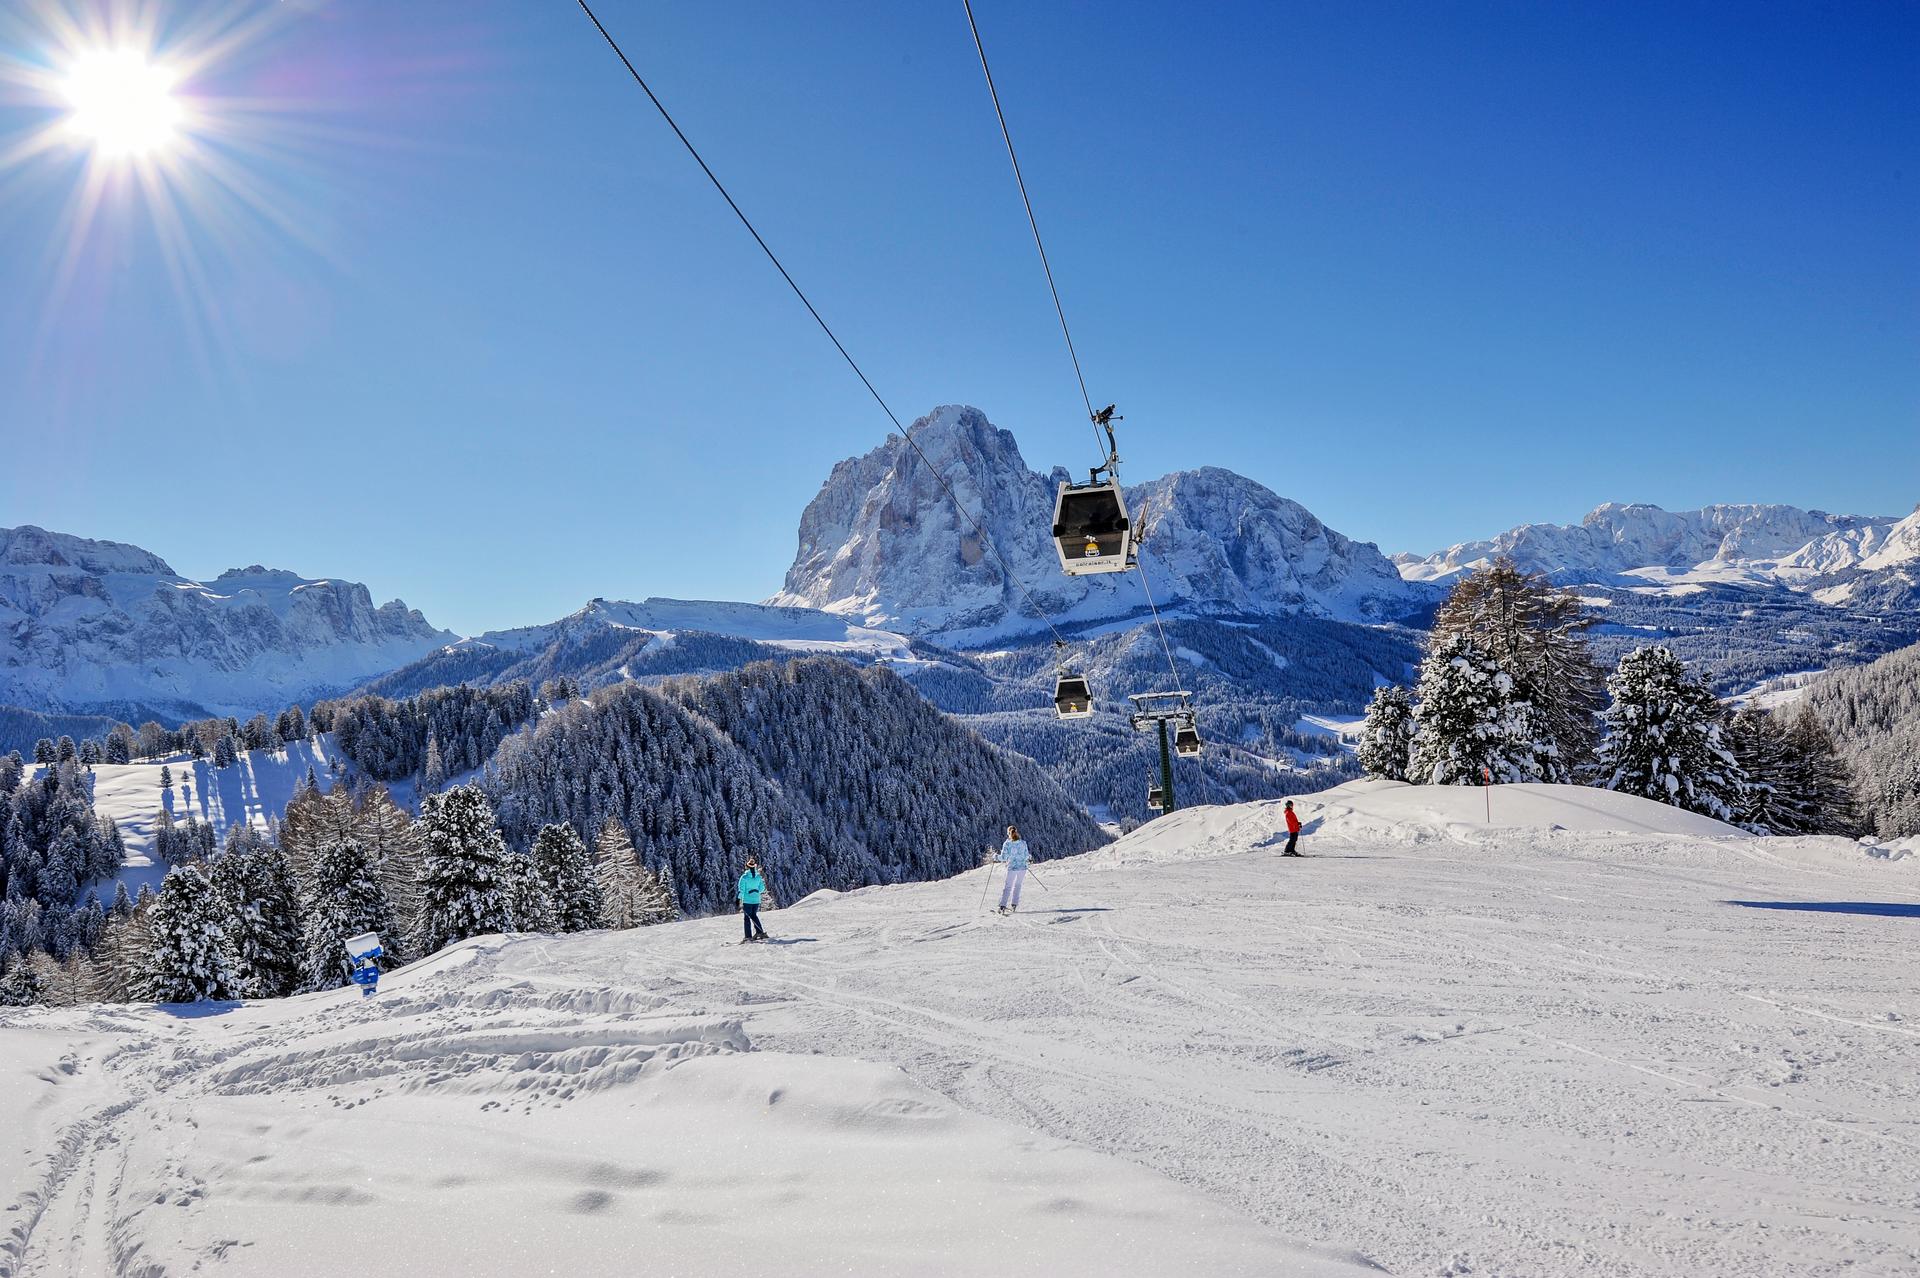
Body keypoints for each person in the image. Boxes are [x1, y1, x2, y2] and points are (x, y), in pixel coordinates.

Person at [996, 825, 1031, 914]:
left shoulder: (1007, 844)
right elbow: (1027, 856)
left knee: (1008, 887)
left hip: (1012, 868)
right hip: (1022, 868)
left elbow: (1003, 857)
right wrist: (1026, 861)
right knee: (1018, 886)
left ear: (1008, 833)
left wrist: (995, 857)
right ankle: (1014, 904)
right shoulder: (1023, 843)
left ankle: (1002, 906)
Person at [738, 857, 769, 942]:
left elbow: (741, 890)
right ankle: (759, 932)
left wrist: (739, 900)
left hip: (747, 900)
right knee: (754, 915)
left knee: (747, 918)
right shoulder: (758, 877)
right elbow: (762, 889)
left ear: (747, 867)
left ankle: (748, 936)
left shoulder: (744, 877)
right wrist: (755, 891)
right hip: (756, 900)